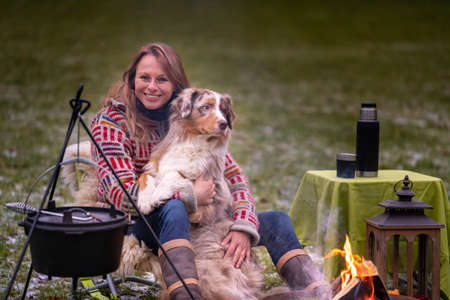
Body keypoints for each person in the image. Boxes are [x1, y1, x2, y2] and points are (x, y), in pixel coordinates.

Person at [91, 42, 330, 300]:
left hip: (199, 223)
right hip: (135, 223)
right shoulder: (110, 123)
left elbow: (235, 178)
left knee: (277, 220)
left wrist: (243, 225)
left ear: (175, 86)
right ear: (131, 80)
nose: (151, 87)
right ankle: (187, 296)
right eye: (144, 78)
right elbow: (123, 195)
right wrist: (189, 194)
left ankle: (318, 292)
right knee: (174, 209)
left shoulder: (186, 120)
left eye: (162, 79)